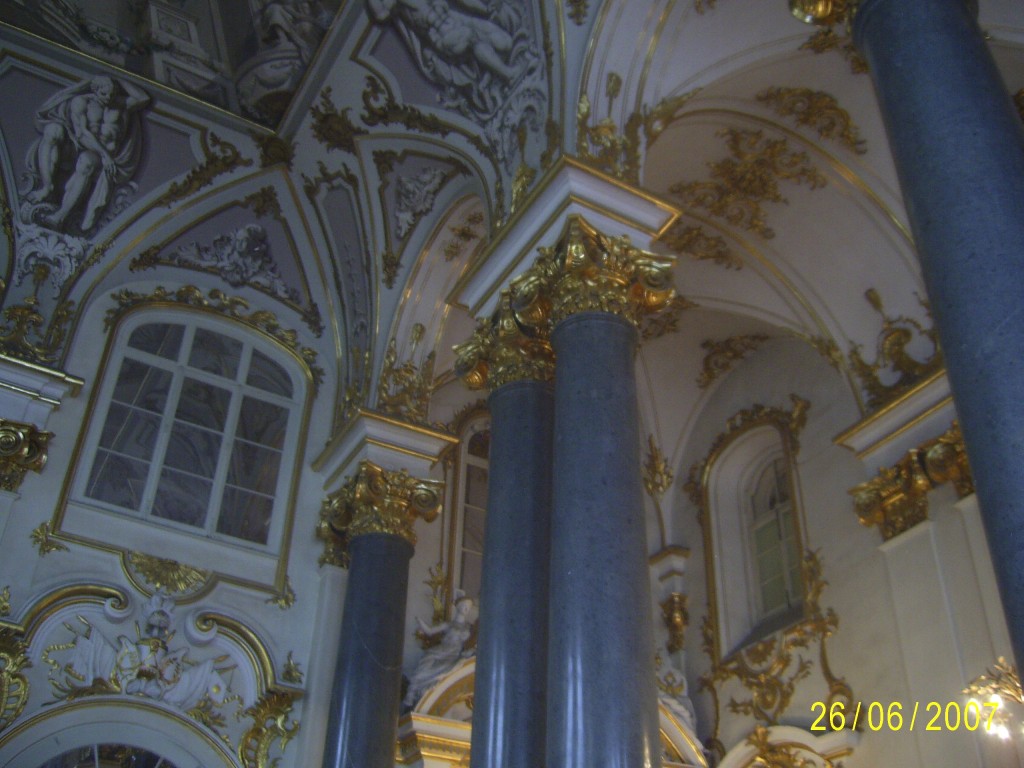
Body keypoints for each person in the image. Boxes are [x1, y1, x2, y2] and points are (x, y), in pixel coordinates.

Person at [23, 75, 149, 234]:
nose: (108, 98)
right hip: (79, 147)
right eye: (104, 94)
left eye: (112, 94)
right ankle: (47, 186)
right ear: (95, 90)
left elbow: (143, 98)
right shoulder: (82, 102)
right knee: (52, 131)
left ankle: (60, 216)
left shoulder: (121, 105)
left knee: (87, 161)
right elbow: (82, 134)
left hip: (98, 158)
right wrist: (104, 155)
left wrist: (118, 75)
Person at [403, 594, 476, 708]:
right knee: (424, 669)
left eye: (469, 607)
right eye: (464, 605)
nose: (467, 609)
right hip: (442, 650)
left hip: (454, 654)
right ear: (458, 606)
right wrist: (419, 621)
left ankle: (423, 690)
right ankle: (411, 693)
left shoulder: (468, 627)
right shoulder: (449, 624)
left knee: (445, 671)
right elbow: (430, 631)